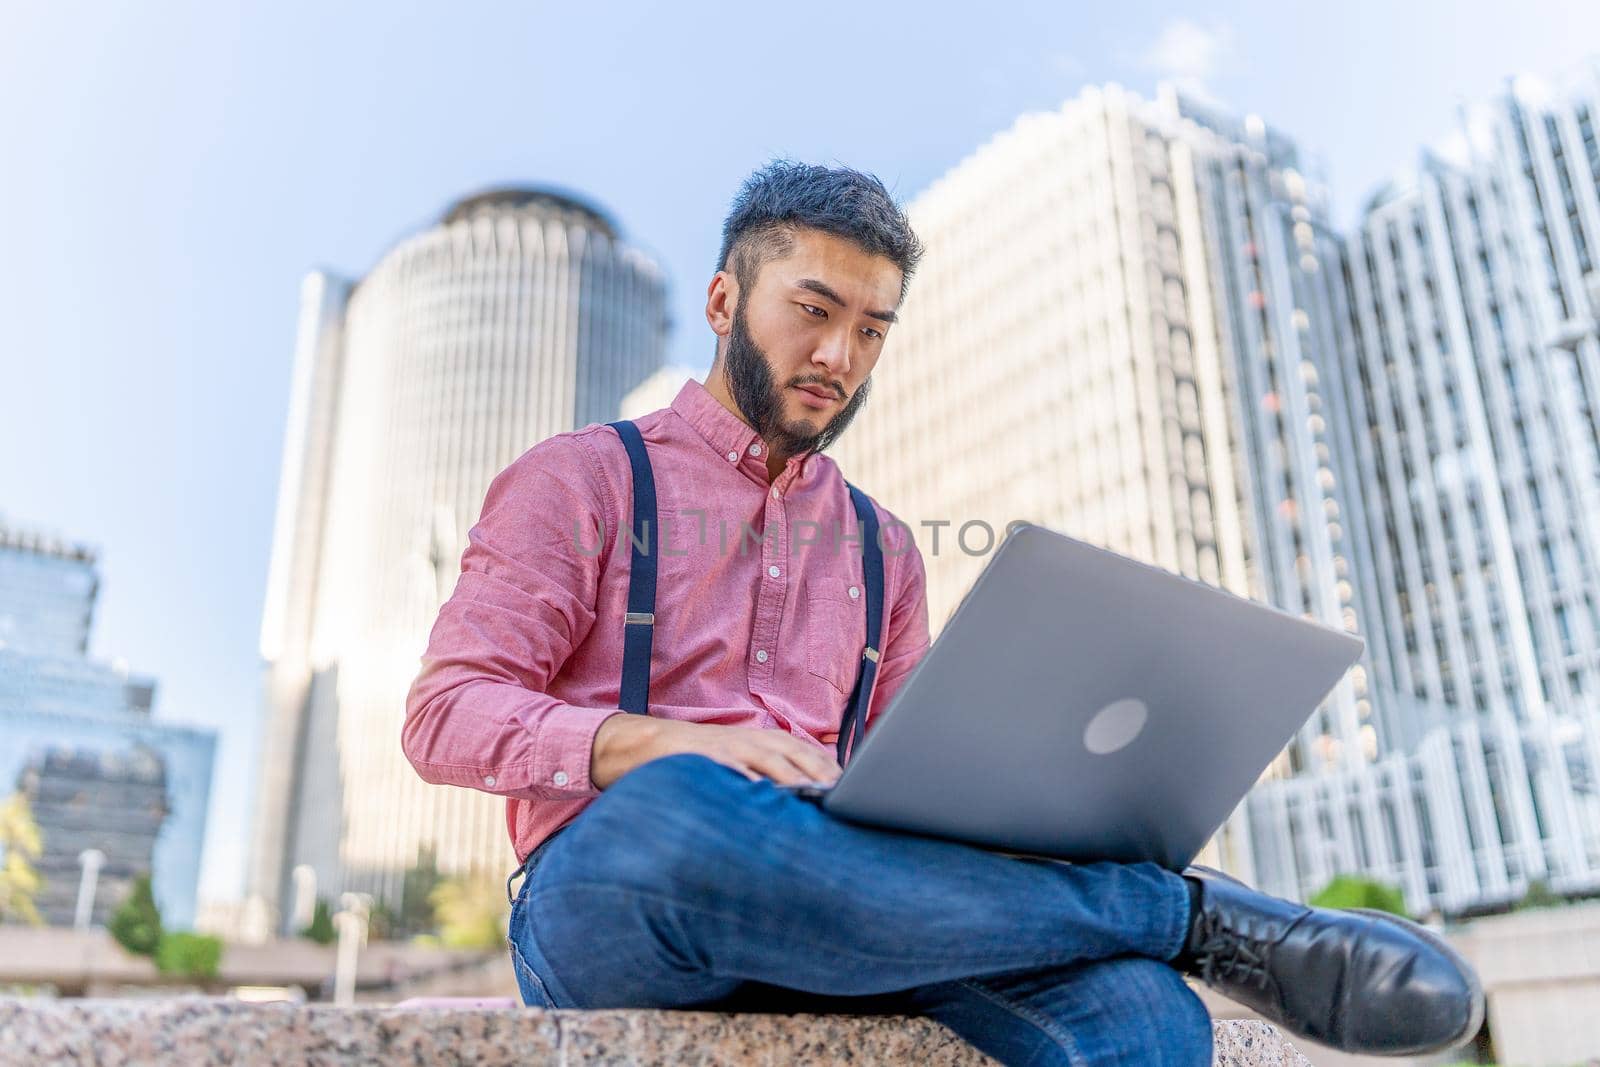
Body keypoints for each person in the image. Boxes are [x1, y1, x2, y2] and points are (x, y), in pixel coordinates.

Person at [402, 160, 1482, 1066]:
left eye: (872, 329)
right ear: (725, 302)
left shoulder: (882, 548)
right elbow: (443, 715)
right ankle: (1188, 915)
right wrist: (668, 740)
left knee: (1146, 1015)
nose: (840, 357)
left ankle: (1160, 928)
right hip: (618, 895)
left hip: (849, 915)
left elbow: (902, 780)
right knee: (687, 804)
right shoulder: (584, 478)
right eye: (813, 311)